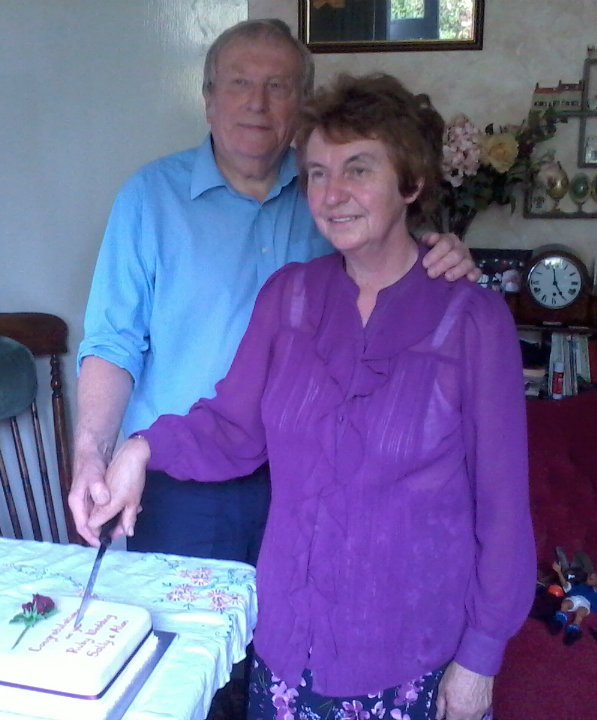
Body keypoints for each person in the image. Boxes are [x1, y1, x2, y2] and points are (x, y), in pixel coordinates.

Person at [84, 73, 534, 720]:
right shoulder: (289, 297)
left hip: (412, 654)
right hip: (289, 649)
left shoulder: (471, 320)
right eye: (318, 174)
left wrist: (480, 662)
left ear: (409, 184)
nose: (332, 194)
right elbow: (233, 430)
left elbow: (502, 510)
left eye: (358, 169)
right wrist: (138, 448)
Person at [68, 19, 478, 566]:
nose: (257, 103)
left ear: (303, 105)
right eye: (238, 83)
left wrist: (439, 254)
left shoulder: (336, 199)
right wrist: (90, 453)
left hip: (314, 478)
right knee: (187, 642)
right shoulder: (148, 199)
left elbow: (393, 270)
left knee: (295, 643)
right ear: (209, 99)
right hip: (182, 474)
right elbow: (113, 343)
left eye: (278, 86)